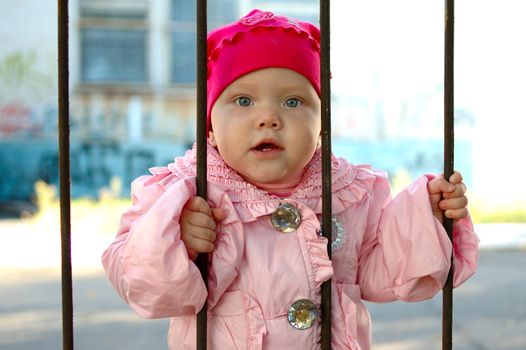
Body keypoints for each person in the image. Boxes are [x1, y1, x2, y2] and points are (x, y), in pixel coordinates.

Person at [102, 9, 479, 350]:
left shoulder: (347, 192)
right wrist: (175, 240)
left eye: (293, 102)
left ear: (321, 125)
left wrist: (428, 217)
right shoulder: (184, 193)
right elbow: (140, 284)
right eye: (243, 101)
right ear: (211, 126)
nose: (268, 117)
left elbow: (383, 274)